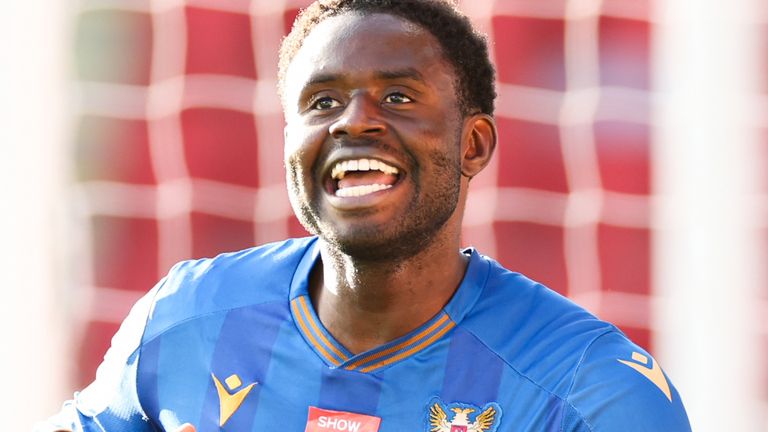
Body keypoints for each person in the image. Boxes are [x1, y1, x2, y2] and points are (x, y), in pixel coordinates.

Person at [40, 0, 691, 431]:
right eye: (323, 102)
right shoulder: (187, 317)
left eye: (399, 96)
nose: (355, 121)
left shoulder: (588, 390)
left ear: (475, 145)